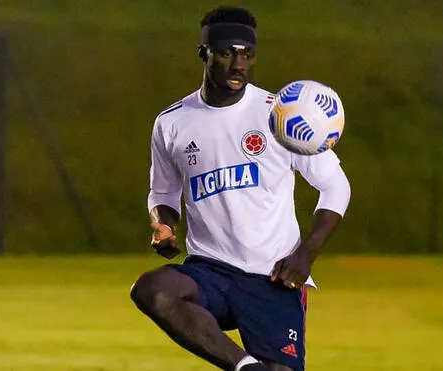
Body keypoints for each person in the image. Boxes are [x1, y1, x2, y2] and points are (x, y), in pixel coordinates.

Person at [130, 5, 351, 371]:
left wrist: (305, 255)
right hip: (211, 271)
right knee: (153, 290)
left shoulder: (281, 115)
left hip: (273, 276)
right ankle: (246, 367)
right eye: (227, 52)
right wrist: (164, 224)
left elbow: (336, 187)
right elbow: (164, 193)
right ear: (204, 53)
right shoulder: (172, 123)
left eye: (247, 54)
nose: (239, 64)